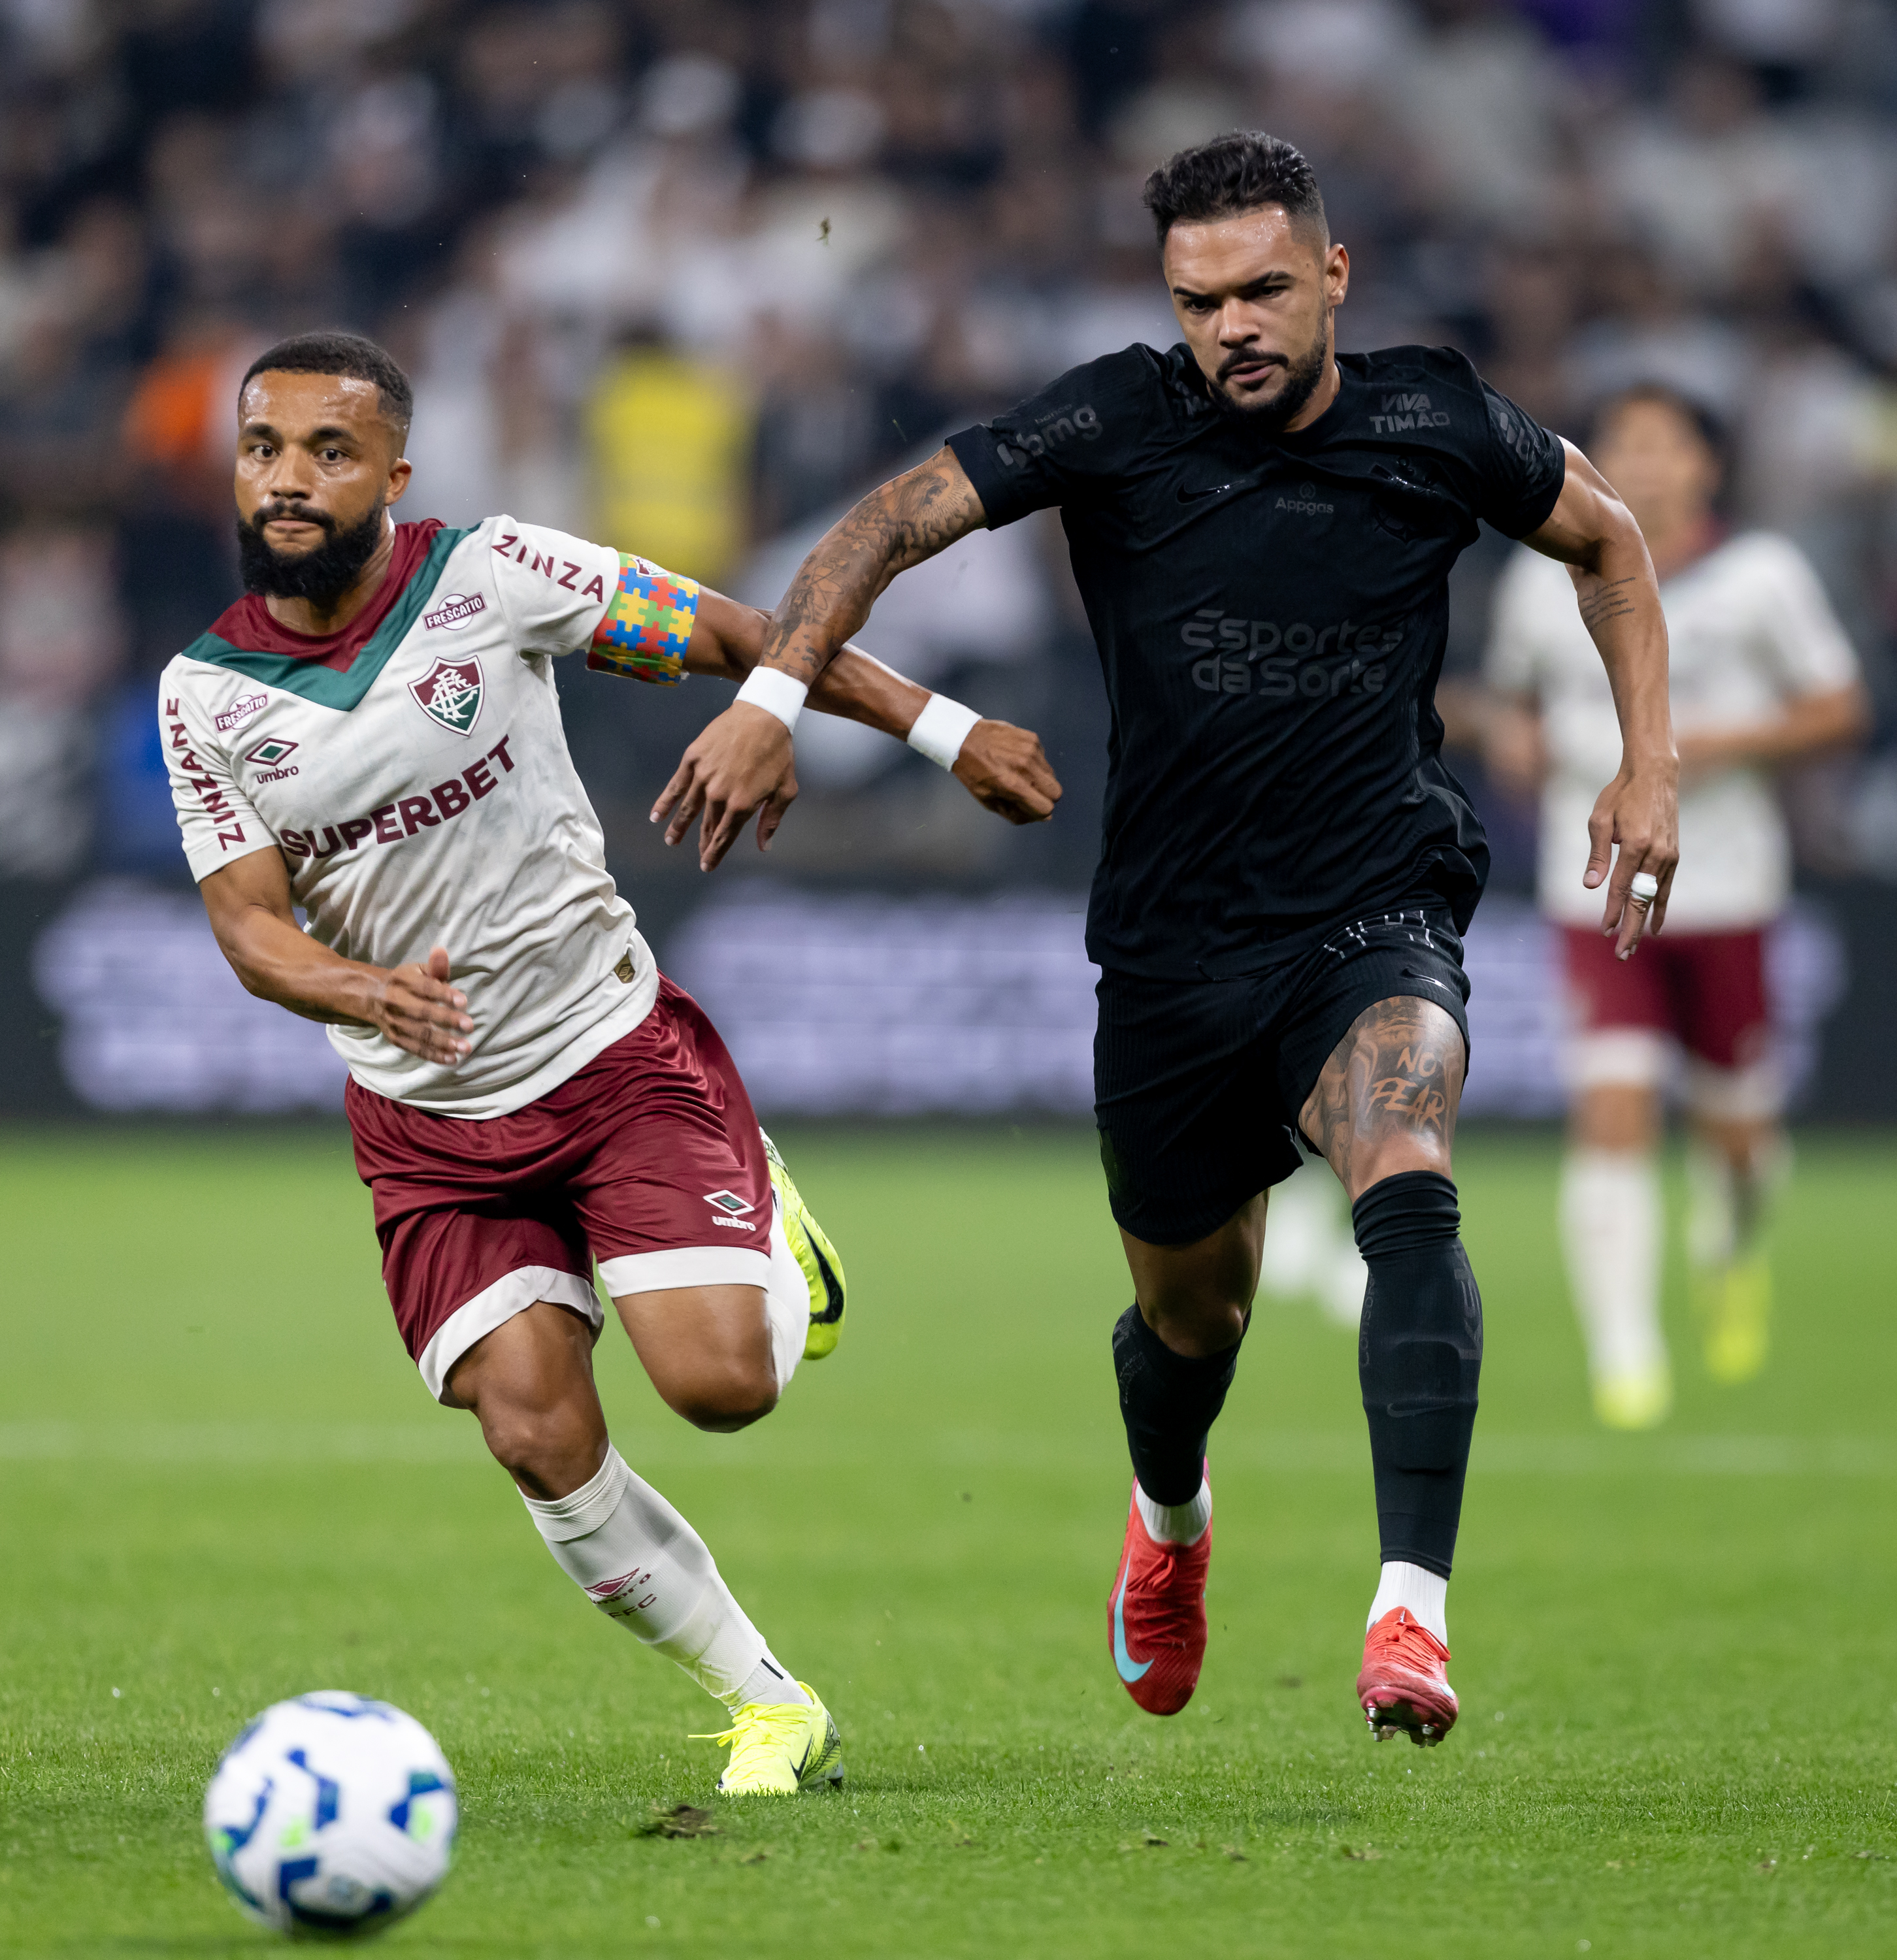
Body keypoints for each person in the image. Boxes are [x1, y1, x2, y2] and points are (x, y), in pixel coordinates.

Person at [650, 132, 1681, 1747]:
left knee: (1407, 1170)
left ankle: (1412, 1612)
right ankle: (1171, 1519)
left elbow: (1610, 542)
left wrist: (1649, 759)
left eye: (1267, 289)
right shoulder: (1115, 417)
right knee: (1195, 1321)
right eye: (1202, 300)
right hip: (1175, 950)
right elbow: (884, 527)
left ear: (1333, 276)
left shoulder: (1437, 416)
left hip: (1378, 908)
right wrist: (776, 698)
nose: (1235, 328)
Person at [161, 330, 1061, 1795]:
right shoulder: (205, 695)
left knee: (721, 1389)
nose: (290, 480)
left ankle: (767, 1218)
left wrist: (938, 728)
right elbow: (251, 931)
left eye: (330, 452)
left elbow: (729, 635)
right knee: (532, 1426)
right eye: (265, 448)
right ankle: (767, 1699)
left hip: (606, 1056)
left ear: (395, 471)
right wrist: (360, 989)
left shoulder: (490, 577)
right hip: (426, 1119)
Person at [1485, 383, 1868, 1426]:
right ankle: (1626, 1357)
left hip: (1730, 889)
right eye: (1623, 443)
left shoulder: (1761, 577)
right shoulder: (1541, 571)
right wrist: (1513, 742)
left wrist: (1703, 747)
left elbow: (1840, 705)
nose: (1642, 463)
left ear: (1708, 464)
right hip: (1596, 893)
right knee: (1612, 1112)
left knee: (1740, 1142)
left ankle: (1732, 1243)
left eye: (1665, 444)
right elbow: (1513, 706)